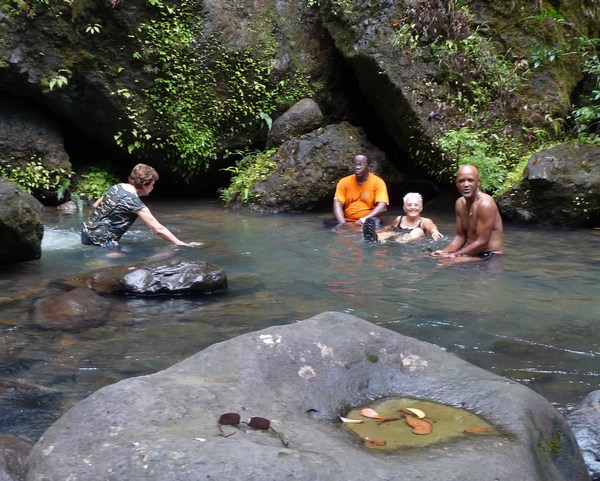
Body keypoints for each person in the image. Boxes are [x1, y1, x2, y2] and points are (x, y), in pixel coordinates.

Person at [81, 163, 202, 247]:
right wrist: (182, 244)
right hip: (101, 243)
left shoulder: (116, 187)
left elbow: (97, 205)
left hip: (86, 233)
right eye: (152, 184)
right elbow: (158, 229)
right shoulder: (135, 202)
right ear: (144, 183)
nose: (153, 188)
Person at [431, 164, 503, 260]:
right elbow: (460, 236)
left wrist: (452, 255)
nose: (466, 185)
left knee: (448, 262)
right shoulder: (460, 203)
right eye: (461, 181)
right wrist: (444, 252)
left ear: (478, 182)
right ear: (457, 183)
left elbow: (482, 242)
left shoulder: (485, 204)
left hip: (490, 256)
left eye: (470, 180)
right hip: (472, 253)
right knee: (433, 258)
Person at [332, 153, 389, 232]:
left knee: (372, 229)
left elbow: (382, 207)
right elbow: (337, 204)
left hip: (370, 220)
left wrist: (363, 220)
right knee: (330, 228)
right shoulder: (344, 182)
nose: (357, 167)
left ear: (369, 167)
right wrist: (342, 223)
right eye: (355, 164)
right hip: (348, 220)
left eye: (361, 164)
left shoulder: (378, 182)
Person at [370, 192, 443, 243]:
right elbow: (391, 227)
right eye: (409, 205)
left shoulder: (424, 221)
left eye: (416, 205)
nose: (412, 207)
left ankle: (400, 240)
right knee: (390, 233)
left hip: (411, 241)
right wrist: (379, 231)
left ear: (421, 208)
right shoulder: (399, 219)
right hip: (396, 237)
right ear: (404, 208)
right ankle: (373, 237)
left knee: (418, 231)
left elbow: (431, 226)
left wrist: (434, 231)